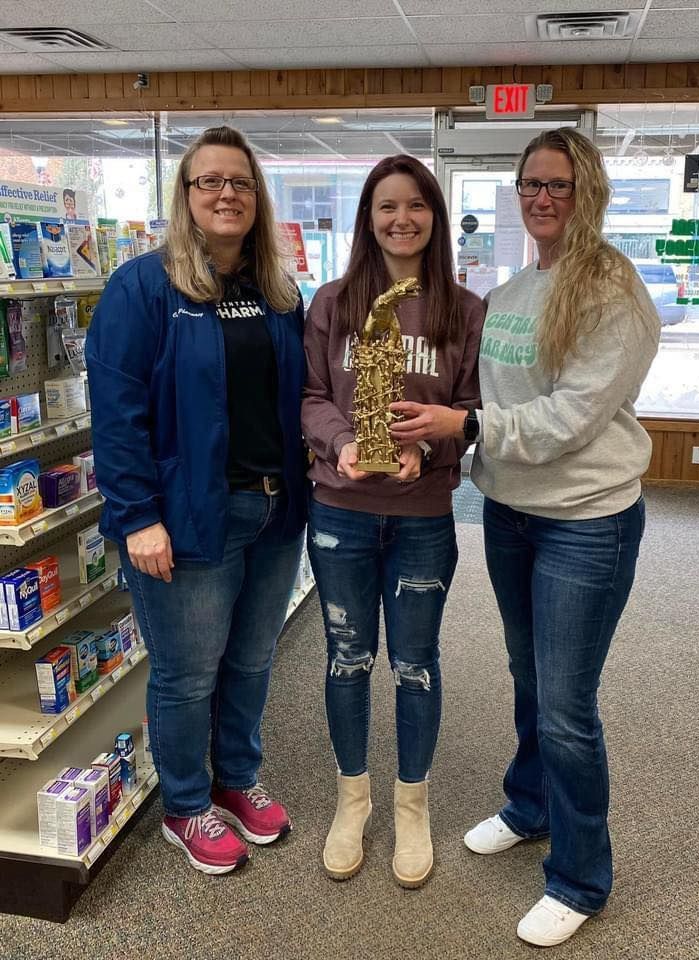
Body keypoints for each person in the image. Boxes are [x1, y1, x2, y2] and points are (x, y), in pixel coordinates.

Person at [391, 128, 660, 944]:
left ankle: (581, 879)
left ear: (589, 192)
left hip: (586, 522)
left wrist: (463, 421)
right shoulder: (511, 292)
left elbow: (571, 417)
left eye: (559, 185)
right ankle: (531, 804)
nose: (542, 198)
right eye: (530, 185)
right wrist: (416, 431)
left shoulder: (610, 290)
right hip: (510, 514)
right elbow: (480, 396)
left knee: (567, 704)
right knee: (526, 675)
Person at [86, 125, 309, 876]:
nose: (225, 194)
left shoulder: (277, 291)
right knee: (187, 672)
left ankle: (235, 779)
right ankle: (185, 806)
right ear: (184, 196)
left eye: (239, 183)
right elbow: (116, 412)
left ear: (256, 197)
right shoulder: (143, 288)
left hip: (275, 511)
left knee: (250, 661)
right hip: (186, 518)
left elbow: (300, 397)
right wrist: (138, 514)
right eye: (209, 181)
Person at [301, 154, 484, 888]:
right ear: (367, 217)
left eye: (415, 205)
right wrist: (345, 444)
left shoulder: (463, 310)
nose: (400, 218)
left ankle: (412, 805)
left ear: (434, 216)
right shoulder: (333, 302)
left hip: (421, 517)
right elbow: (311, 395)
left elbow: (471, 415)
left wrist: (428, 447)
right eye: (386, 206)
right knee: (347, 660)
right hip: (340, 511)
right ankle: (354, 801)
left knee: (414, 665)